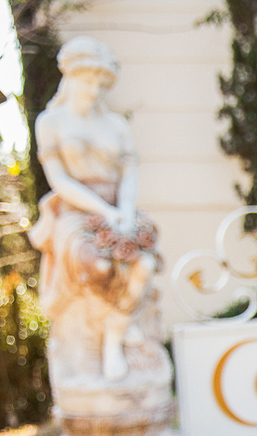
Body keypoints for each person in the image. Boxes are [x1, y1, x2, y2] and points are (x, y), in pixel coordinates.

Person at [29, 35, 162, 384]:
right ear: (70, 79)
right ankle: (100, 338)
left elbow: (129, 173)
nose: (93, 89)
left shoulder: (116, 125)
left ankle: (116, 334)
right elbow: (59, 180)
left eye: (100, 83)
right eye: (86, 80)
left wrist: (125, 212)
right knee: (97, 264)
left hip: (121, 208)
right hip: (77, 210)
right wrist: (104, 210)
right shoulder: (50, 122)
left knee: (144, 264)